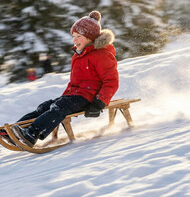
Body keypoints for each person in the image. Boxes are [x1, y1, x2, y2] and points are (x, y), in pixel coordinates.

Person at [10, 10, 119, 147]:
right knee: (45, 106)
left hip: (90, 98)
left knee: (59, 107)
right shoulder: (78, 56)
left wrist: (99, 103)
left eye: (79, 36)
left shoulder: (102, 55)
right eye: (73, 36)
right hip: (75, 95)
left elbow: (112, 81)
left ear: (90, 37)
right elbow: (74, 82)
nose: (74, 40)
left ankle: (31, 134)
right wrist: (65, 96)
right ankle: (15, 131)